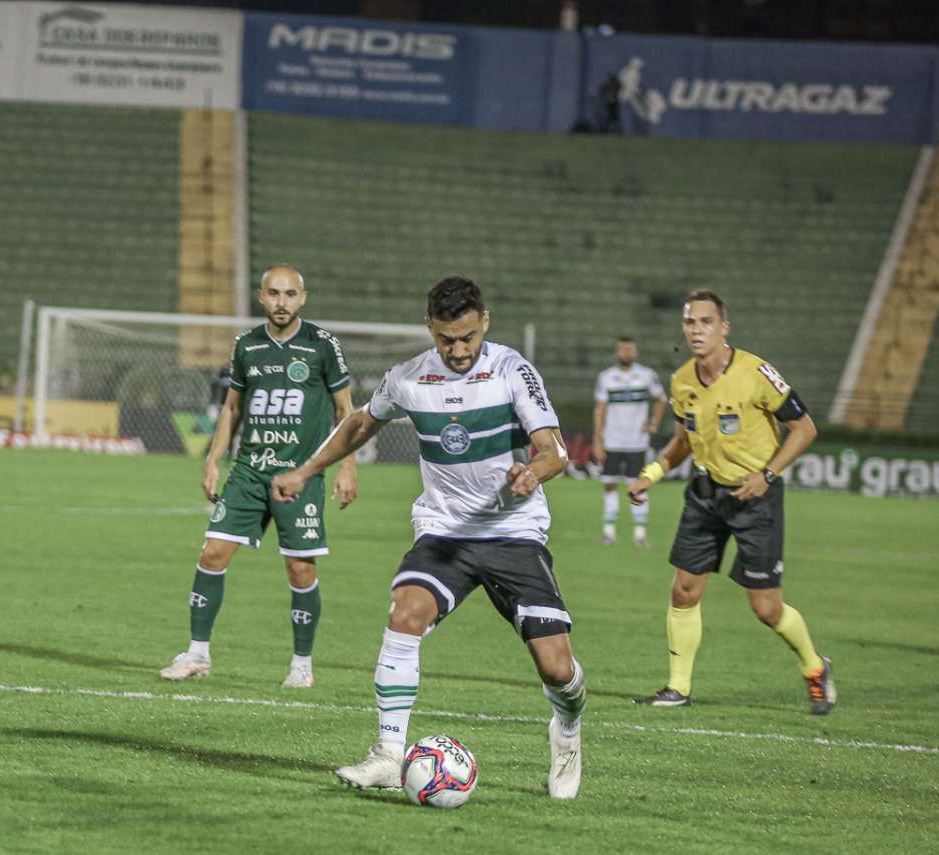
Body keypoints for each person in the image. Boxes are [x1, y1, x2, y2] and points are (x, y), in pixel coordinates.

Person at [272, 276, 587, 800]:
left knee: (556, 667)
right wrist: (306, 472)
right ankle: (389, 754)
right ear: (430, 330)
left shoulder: (512, 370)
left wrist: (533, 473)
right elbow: (359, 425)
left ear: (484, 320)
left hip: (513, 534)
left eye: (467, 337)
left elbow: (552, 449)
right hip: (445, 532)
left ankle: (569, 729)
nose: (458, 350)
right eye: (447, 340)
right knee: (405, 613)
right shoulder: (408, 377)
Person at [628, 289, 835, 714]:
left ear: (724, 327)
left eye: (705, 322)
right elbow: (684, 440)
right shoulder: (682, 380)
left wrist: (768, 474)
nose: (696, 330)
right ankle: (678, 687)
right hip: (706, 494)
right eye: (690, 323)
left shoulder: (756, 371)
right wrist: (652, 474)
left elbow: (805, 428)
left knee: (765, 608)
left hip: (755, 497)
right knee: (684, 590)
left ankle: (815, 668)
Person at [160, 264, 358, 688]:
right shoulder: (247, 345)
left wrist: (347, 465)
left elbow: (347, 412)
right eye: (273, 293)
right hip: (249, 470)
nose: (281, 302)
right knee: (212, 553)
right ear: (261, 296)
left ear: (302, 298)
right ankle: (197, 653)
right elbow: (232, 408)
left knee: (300, 570)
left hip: (300, 474)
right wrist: (213, 460)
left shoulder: (322, 346)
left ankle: (301, 664)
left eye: (289, 294)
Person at [592, 337, 667, 546]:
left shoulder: (646, 376)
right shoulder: (606, 377)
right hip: (611, 441)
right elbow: (600, 409)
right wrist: (597, 440)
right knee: (609, 486)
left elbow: (661, 399)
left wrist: (653, 423)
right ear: (617, 352)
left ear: (636, 352)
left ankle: (640, 535)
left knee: (639, 487)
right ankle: (608, 533)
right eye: (622, 349)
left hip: (637, 442)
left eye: (629, 349)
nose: (626, 352)